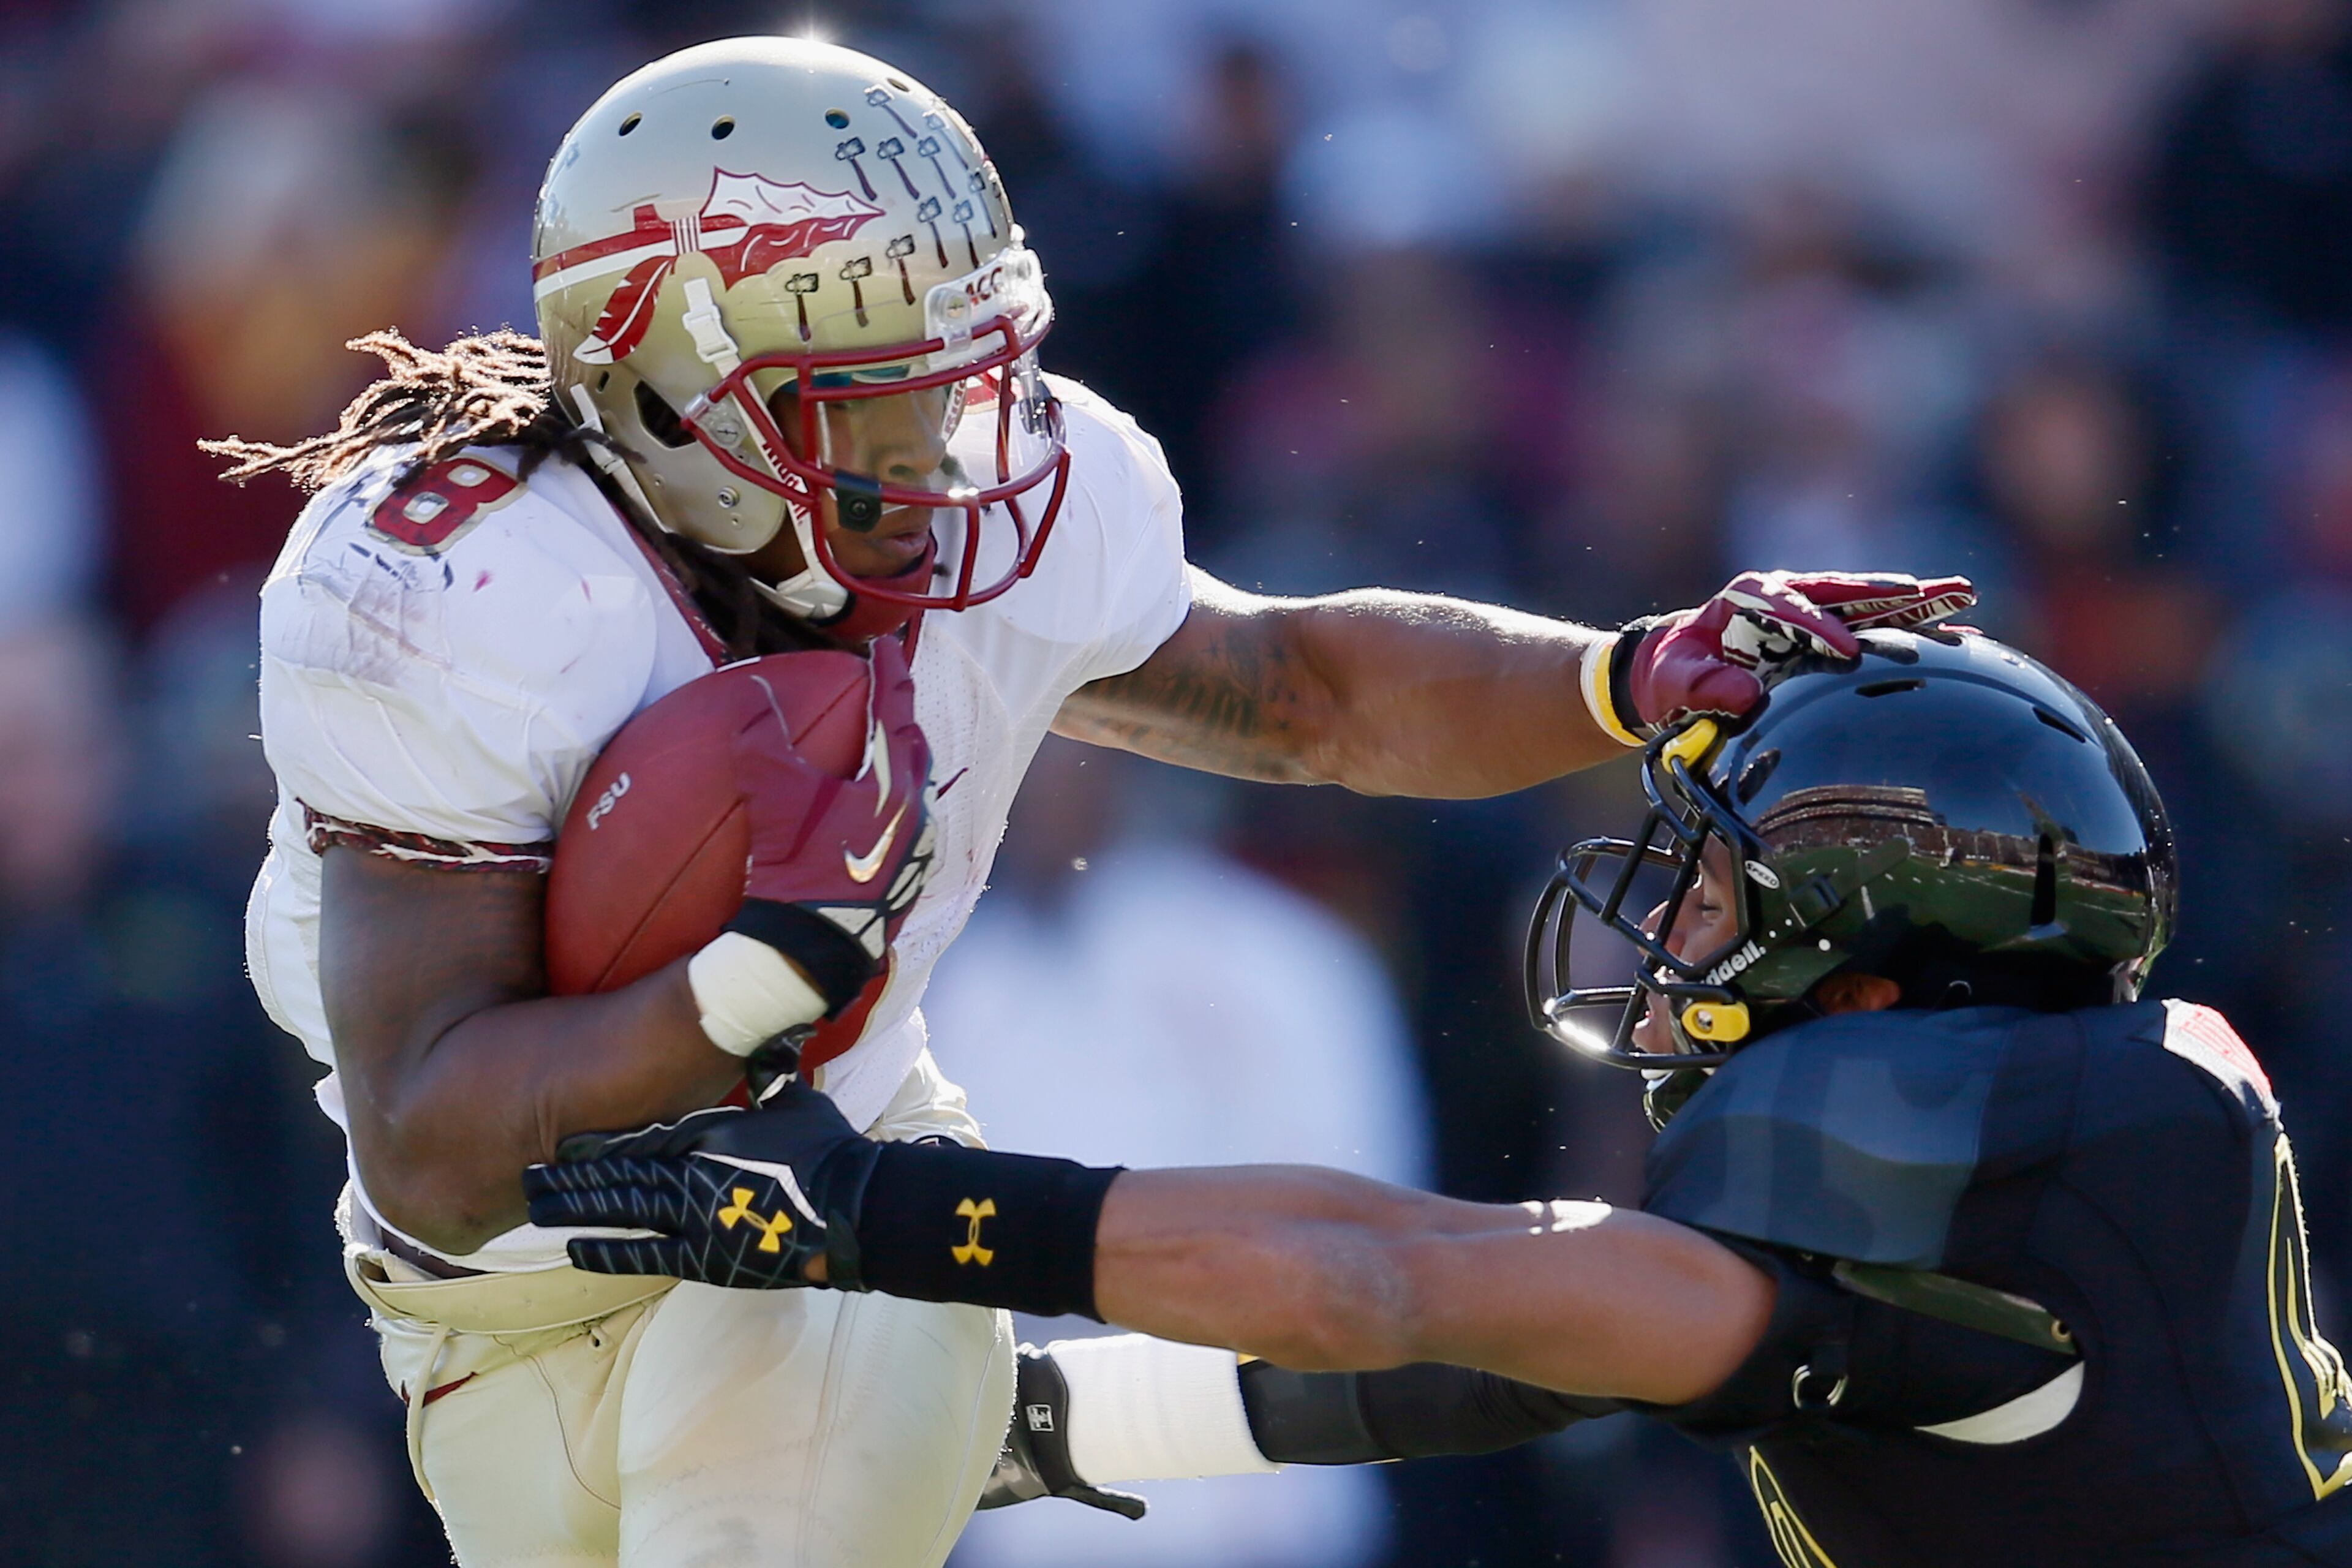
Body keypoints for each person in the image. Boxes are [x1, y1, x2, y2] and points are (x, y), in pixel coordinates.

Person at [212, 34, 1969, 1568]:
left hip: (837, 1216)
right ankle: (1031, 1419)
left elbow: (1304, 694)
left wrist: (1626, 678)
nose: (951, 465)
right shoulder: (455, 591)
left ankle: (972, 1401)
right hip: (488, 1328)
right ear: (674, 384)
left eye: (957, 389)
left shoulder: (998, 500)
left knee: (828, 1411)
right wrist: (756, 977)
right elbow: (437, 1157)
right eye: (878, 413)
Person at [530, 627, 2352, 1568]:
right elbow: (1449, 1360)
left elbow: (1399, 1280)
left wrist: (881, 1216)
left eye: (1713, 890)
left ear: (1865, 966)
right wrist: (1016, 1428)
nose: (1672, 931)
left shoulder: (1994, 1220)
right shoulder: (2022, 1194)